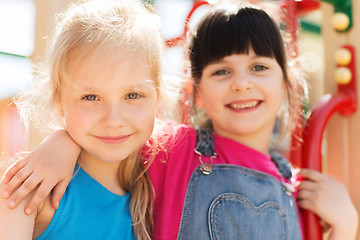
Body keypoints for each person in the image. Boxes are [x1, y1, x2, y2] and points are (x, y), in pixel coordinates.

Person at [1, 2, 358, 240]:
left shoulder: (297, 187)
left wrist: (346, 224)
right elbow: (114, 125)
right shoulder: (177, 149)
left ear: (286, 80)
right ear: (195, 91)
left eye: (259, 67)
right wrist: (59, 143)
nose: (242, 83)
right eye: (221, 71)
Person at [0, 0, 175, 239]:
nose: (113, 120)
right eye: (91, 97)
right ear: (60, 101)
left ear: (158, 97)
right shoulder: (34, 191)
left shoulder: (158, 189)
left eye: (132, 95)